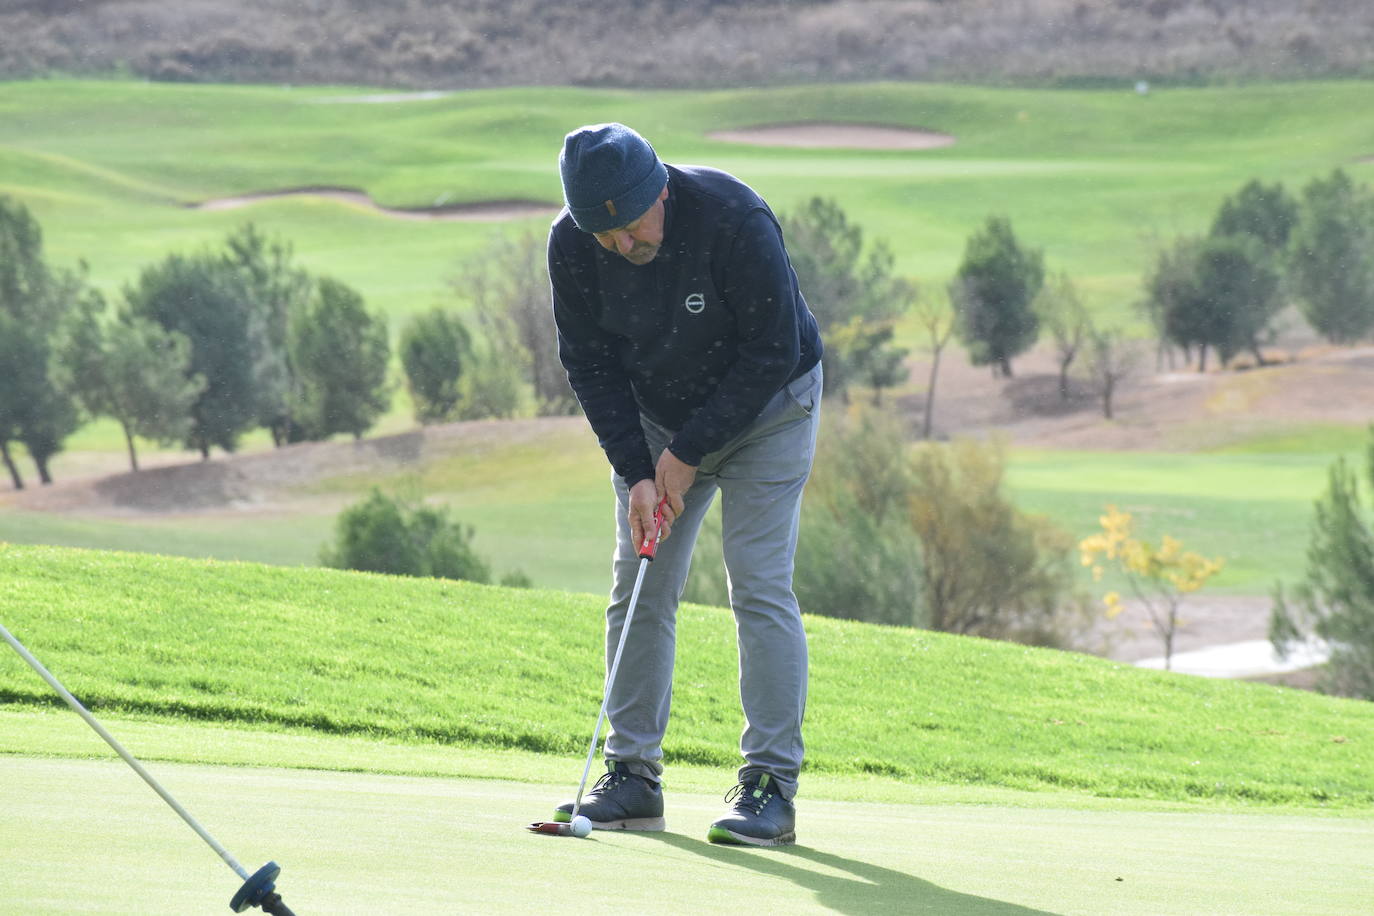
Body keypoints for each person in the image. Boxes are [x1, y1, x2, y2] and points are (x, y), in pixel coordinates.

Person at [546, 122, 823, 846]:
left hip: (770, 410)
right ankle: (632, 775)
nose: (625, 249)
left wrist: (690, 450)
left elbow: (774, 349)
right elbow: (590, 364)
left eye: (634, 230)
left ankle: (770, 786)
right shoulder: (573, 245)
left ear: (660, 191)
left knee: (758, 585)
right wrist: (637, 469)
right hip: (656, 421)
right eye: (608, 239)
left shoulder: (734, 219)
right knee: (639, 585)